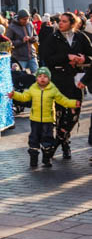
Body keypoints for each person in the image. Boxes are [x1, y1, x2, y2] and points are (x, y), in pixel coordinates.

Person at [38, 11, 92, 159]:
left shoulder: (81, 37)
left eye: (64, 21)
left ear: (72, 23)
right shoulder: (53, 38)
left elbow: (90, 55)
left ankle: (54, 146)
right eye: (60, 21)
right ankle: (65, 143)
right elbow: (47, 59)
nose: (60, 23)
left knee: (74, 113)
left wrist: (84, 58)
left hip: (76, 80)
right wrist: (66, 57)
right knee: (61, 115)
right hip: (59, 80)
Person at [10, 66, 79, 168]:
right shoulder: (32, 88)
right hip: (35, 120)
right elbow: (24, 97)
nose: (42, 78)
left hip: (48, 121)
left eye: (45, 76)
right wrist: (14, 95)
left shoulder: (53, 89)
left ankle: (46, 159)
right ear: (36, 78)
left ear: (49, 79)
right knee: (34, 140)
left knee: (47, 140)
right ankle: (33, 160)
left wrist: (73, 103)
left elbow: (62, 100)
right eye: (40, 76)